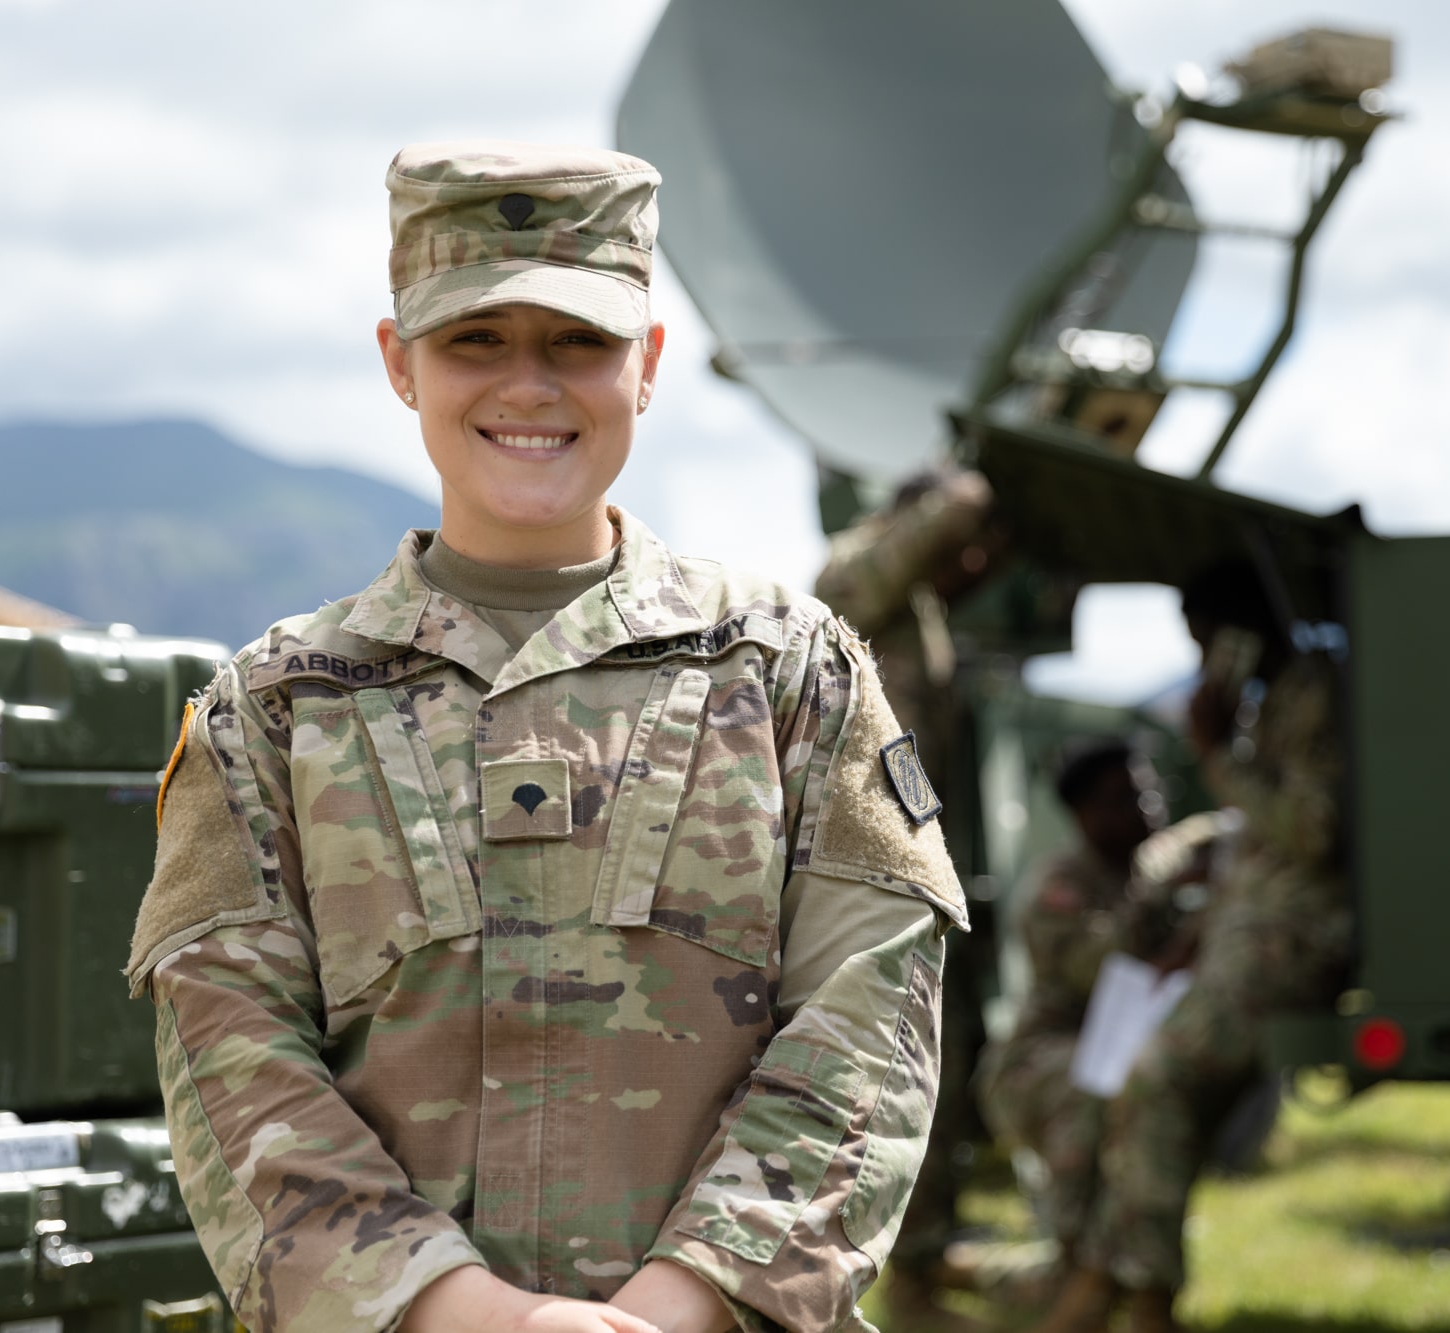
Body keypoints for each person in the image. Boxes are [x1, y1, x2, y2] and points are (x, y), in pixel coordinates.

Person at [125, 142, 967, 1333]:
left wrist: (679, 1311)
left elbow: (868, 1023)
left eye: (578, 340)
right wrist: (468, 1318)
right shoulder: (272, 711)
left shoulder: (790, 673)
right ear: (397, 364)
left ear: (649, 363)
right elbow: (235, 1066)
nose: (528, 385)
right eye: (475, 339)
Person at [1037, 561, 1348, 1333]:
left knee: (1157, 1079)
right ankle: (1114, 1287)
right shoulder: (1275, 701)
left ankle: (1128, 1298)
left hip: (1293, 938)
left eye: (1207, 641)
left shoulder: (1311, 699)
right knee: (1144, 1091)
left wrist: (1215, 753)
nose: (1205, 660)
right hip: (1253, 935)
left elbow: (1311, 832)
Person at [813, 467, 998, 1327]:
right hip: (864, 881)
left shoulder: (918, 607)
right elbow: (947, 516)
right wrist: (969, 484)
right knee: (883, 1075)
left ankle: (920, 1269)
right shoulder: (852, 573)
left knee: (940, 1067)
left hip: (914, 871)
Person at [973, 739, 1155, 1279]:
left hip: (1113, 1052)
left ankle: (1120, 1263)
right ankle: (1077, 1272)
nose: (1145, 810)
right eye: (1124, 799)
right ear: (1084, 814)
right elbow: (1102, 967)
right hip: (1036, 1062)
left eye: (1148, 793)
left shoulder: (1146, 872)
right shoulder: (1059, 887)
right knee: (1089, 1091)